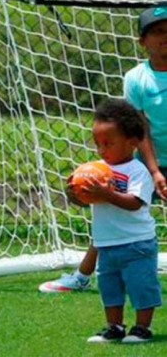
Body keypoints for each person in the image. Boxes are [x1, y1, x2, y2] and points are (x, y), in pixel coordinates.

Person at [39, 2, 167, 294]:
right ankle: (82, 277)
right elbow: (139, 127)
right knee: (113, 221)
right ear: (143, 41)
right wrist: (155, 170)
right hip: (145, 162)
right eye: (158, 32)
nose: (165, 37)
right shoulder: (137, 78)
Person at [68, 99, 161, 343]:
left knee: (142, 286)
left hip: (137, 244)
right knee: (109, 287)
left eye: (108, 143)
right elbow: (85, 202)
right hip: (106, 243)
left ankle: (142, 328)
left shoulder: (137, 170)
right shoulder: (96, 169)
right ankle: (114, 327)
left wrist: (107, 194)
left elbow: (134, 202)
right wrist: (75, 192)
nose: (101, 150)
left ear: (131, 142)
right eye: (98, 143)